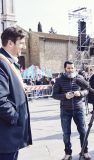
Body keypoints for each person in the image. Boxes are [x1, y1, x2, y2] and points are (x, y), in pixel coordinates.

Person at [0, 27, 32, 160]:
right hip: (6, 135)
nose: (23, 47)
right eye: (21, 43)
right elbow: (1, 99)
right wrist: (15, 118)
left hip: (9, 134)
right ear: (10, 43)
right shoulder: (2, 63)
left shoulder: (8, 62)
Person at [52, 61, 91, 160]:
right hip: (65, 110)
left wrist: (80, 93)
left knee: (83, 131)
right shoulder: (59, 80)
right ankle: (68, 153)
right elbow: (54, 95)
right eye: (69, 68)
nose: (71, 70)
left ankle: (85, 151)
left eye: (72, 68)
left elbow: (87, 89)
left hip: (79, 109)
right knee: (66, 133)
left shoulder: (79, 78)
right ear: (65, 68)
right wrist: (64, 96)